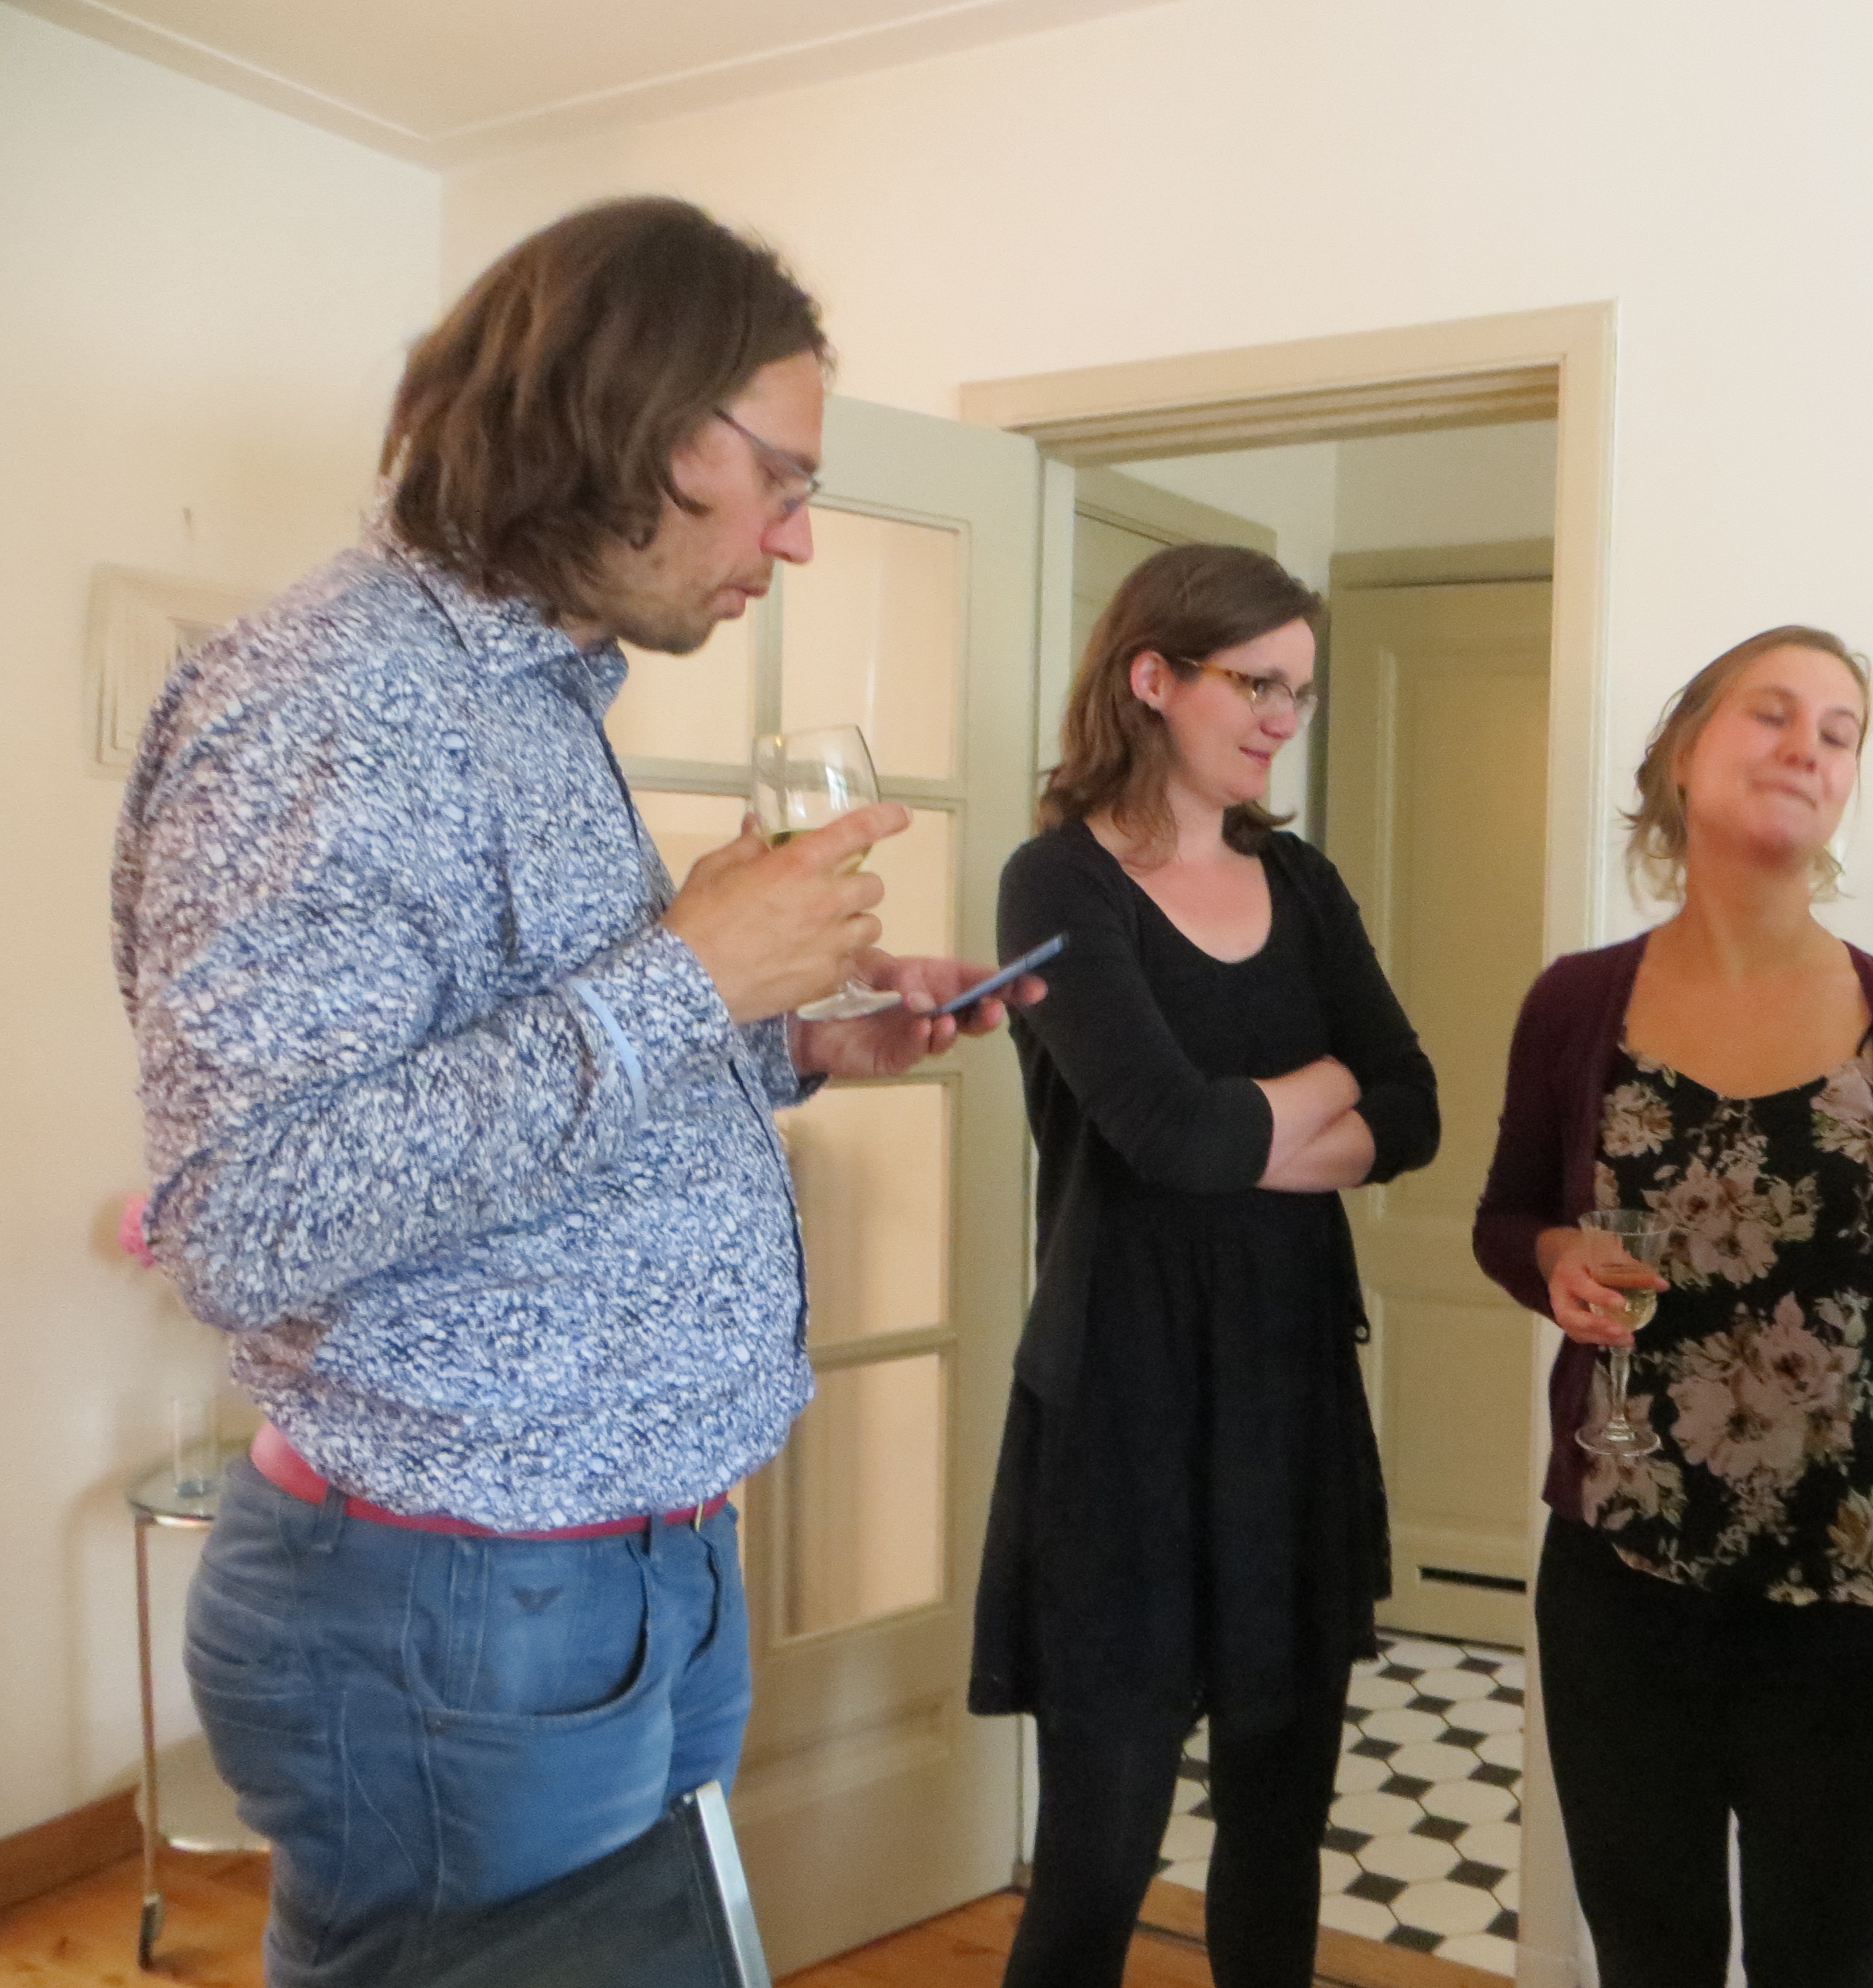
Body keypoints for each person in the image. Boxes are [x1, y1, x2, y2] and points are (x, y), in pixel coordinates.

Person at [111, 197, 1030, 1988]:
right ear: (631, 417)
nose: (799, 537)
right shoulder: (329, 701)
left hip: (621, 1575)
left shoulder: (528, 696)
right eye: (781, 477)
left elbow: (537, 1069)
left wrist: (791, 1035)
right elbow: (243, 1216)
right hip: (455, 1611)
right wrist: (689, 975)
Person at [1473, 628, 1873, 1988]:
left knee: (1825, 1968)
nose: (1806, 747)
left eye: (1838, 733)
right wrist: (1551, 1252)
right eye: (1770, 713)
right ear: (1682, 753)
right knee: (1647, 1963)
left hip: (1852, 1599)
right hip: (1620, 1585)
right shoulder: (1575, 1005)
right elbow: (1503, 1221)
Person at [967, 543, 1439, 1988]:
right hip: (1119, 1409)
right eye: (1256, 683)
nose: (1283, 718)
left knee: (1279, 1834)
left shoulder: (1299, 879)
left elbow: (1413, 1105)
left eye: (1300, 692)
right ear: (1152, 677)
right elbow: (1168, 1135)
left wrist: (1246, 1130)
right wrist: (1316, 1093)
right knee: (1099, 1857)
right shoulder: (1057, 881)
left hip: (1289, 1398)